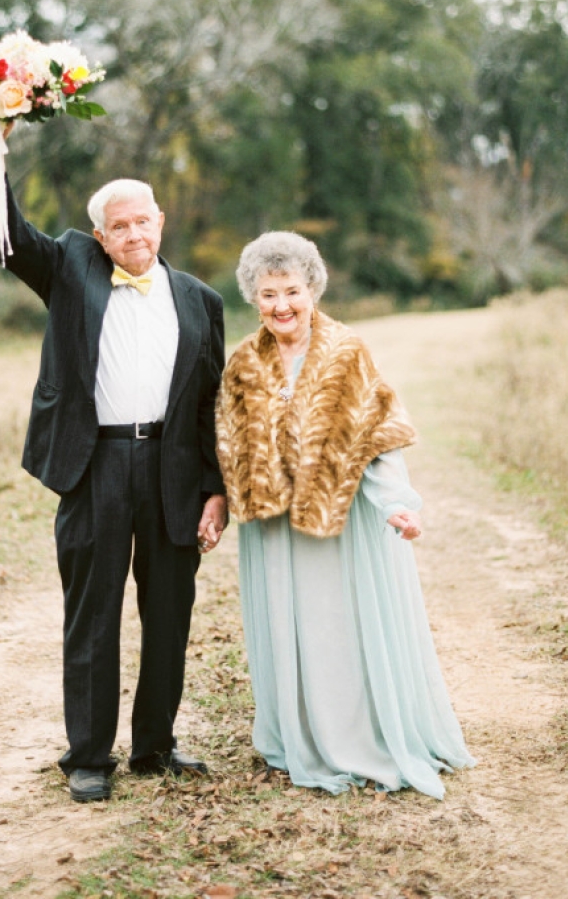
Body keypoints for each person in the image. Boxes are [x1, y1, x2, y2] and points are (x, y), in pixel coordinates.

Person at [0, 167, 228, 803]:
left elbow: (210, 406)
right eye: (120, 226)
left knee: (169, 612)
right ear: (100, 237)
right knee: (92, 614)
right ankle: (88, 755)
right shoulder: (69, 271)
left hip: (173, 468)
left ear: (160, 222)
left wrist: (217, 489)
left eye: (143, 221)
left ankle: (155, 746)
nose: (134, 234)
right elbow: (7, 238)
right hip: (94, 466)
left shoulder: (202, 300)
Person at [214, 231, 474, 798]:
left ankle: (355, 738)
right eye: (268, 294)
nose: (281, 305)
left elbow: (378, 436)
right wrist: (218, 504)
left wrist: (397, 504)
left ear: (312, 288)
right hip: (272, 527)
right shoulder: (243, 362)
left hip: (339, 519)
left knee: (336, 626)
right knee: (289, 627)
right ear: (253, 298)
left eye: (291, 291)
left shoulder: (345, 351)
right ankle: (301, 736)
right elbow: (228, 443)